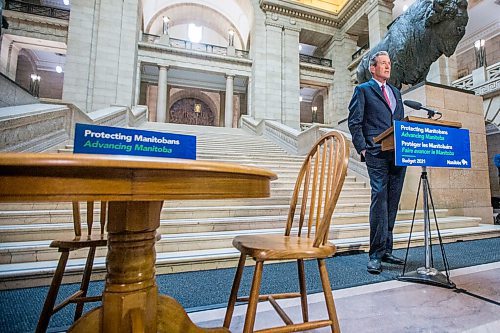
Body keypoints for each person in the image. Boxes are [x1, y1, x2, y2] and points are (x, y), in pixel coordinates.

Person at [348, 51, 407, 274]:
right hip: (376, 152)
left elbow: (399, 121)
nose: (387, 66)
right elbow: (355, 121)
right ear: (373, 68)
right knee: (379, 197)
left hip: (399, 152)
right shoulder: (363, 90)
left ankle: (387, 250)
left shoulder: (396, 92)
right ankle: (375, 253)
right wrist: (363, 147)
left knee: (392, 200)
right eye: (383, 63)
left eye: (389, 63)